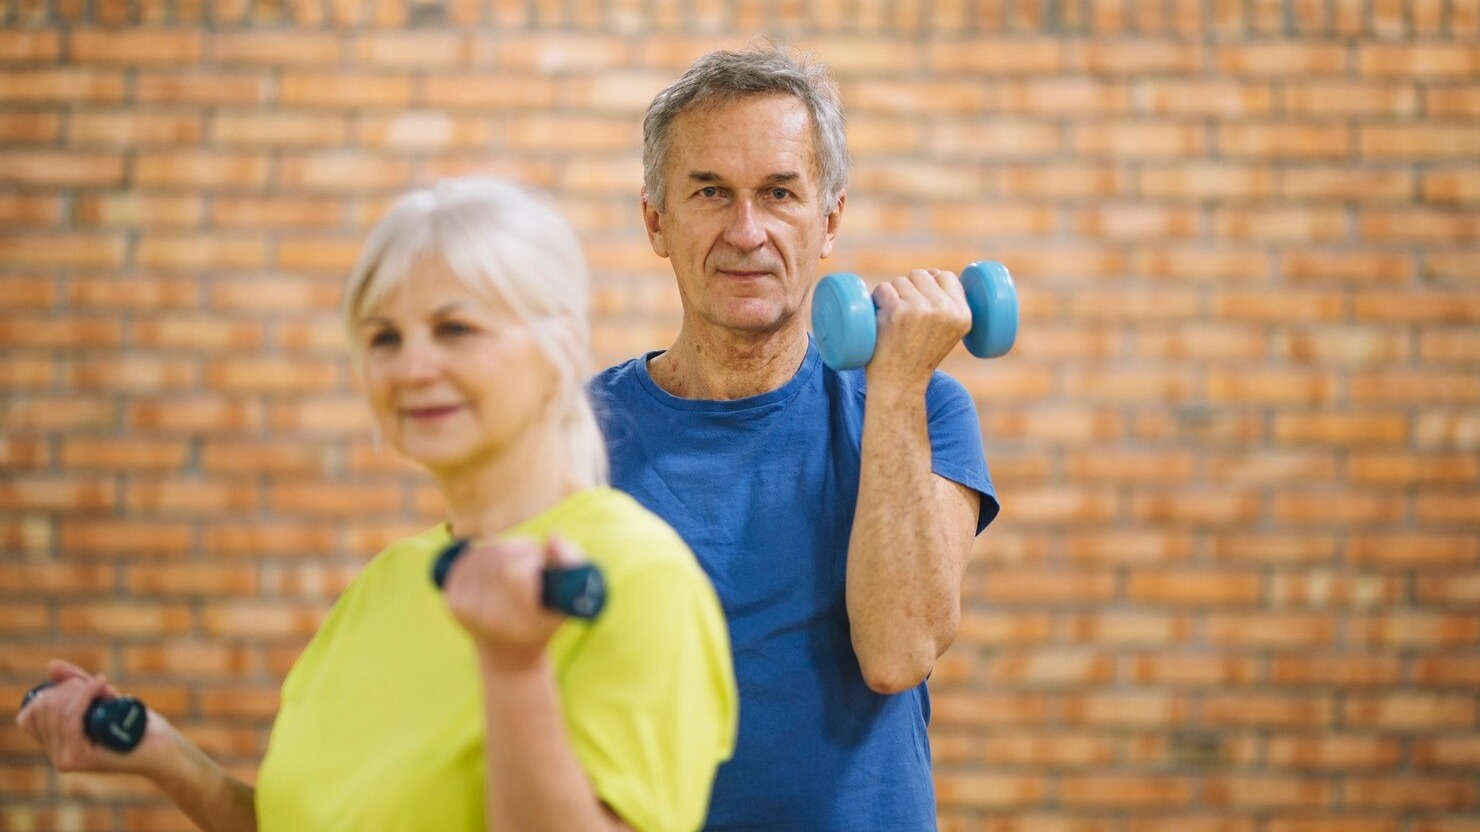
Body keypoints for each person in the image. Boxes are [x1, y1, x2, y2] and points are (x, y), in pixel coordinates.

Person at [18, 178, 738, 832]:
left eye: (455, 329)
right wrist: (165, 757)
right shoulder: (387, 584)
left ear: (556, 348)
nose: (413, 367)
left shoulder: (640, 579)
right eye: (385, 338)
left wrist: (515, 669)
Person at [589, 43, 1000, 830]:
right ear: (656, 222)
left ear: (829, 219)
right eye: (711, 192)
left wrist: (899, 384)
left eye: (779, 193)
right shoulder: (573, 435)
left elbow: (897, 654)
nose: (748, 231)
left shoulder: (923, 409)